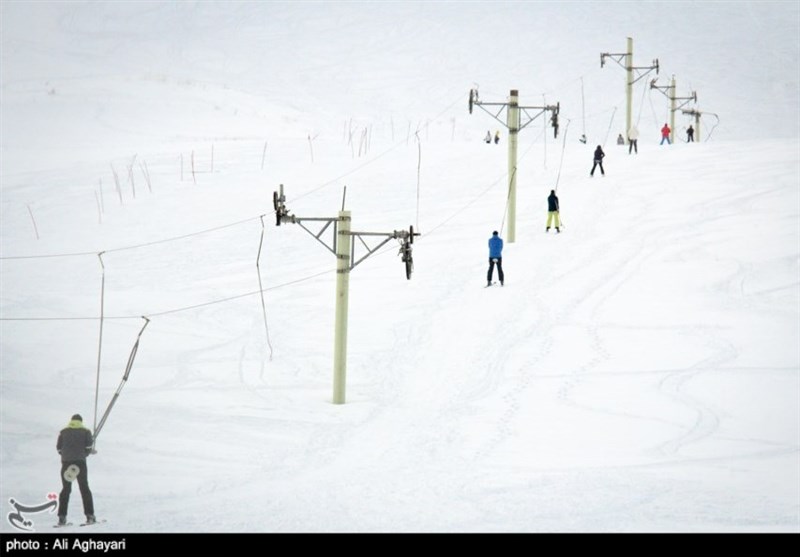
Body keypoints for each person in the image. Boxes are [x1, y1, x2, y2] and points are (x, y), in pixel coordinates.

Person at [57, 414, 95, 525]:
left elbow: (59, 448)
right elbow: (88, 447)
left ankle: (62, 517)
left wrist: (66, 456)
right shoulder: (86, 431)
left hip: (66, 464)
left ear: (71, 421)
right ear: (81, 421)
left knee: (66, 489)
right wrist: (84, 454)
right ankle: (90, 516)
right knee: (84, 488)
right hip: (80, 463)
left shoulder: (63, 432)